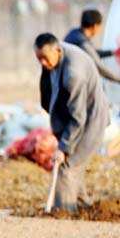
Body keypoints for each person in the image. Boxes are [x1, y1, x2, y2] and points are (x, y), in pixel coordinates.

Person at [34, 33, 109, 211]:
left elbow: (78, 119)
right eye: (39, 59)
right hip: (76, 120)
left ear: (57, 50)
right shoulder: (54, 58)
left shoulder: (73, 74)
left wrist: (63, 148)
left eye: (45, 58)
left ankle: (65, 213)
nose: (43, 63)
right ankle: (85, 208)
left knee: (67, 166)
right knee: (75, 165)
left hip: (90, 123)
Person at [64, 9, 120, 83]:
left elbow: (91, 52)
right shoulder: (82, 43)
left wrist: (112, 52)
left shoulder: (73, 34)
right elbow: (100, 69)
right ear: (95, 26)